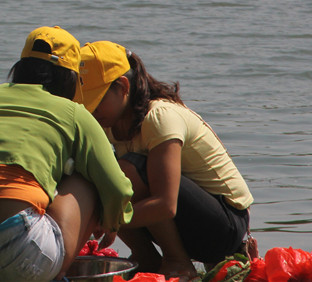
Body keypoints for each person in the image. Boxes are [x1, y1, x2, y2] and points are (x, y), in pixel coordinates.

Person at [0, 27, 134, 282]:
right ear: (71, 78)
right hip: (19, 256)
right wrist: (112, 220)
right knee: (88, 178)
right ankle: (56, 276)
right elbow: (116, 187)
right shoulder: (72, 112)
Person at [74, 40, 254, 279]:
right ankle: (147, 258)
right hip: (187, 221)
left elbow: (165, 205)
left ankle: (178, 262)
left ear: (123, 86)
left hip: (225, 225)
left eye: (96, 102)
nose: (91, 111)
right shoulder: (110, 123)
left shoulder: (159, 117)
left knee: (127, 170)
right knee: (103, 178)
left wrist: (109, 220)